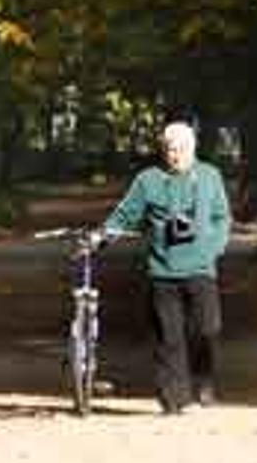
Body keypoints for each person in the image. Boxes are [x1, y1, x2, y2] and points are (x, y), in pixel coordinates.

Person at [99, 120, 232, 415]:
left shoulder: (210, 176)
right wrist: (102, 237)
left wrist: (215, 246)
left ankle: (203, 379)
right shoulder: (149, 180)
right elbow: (124, 215)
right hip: (162, 270)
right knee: (168, 338)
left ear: (193, 148)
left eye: (182, 148)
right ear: (163, 151)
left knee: (207, 329)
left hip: (200, 268)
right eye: (170, 149)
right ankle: (173, 399)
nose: (175, 154)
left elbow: (222, 218)